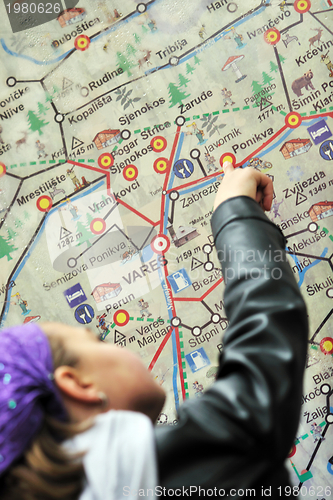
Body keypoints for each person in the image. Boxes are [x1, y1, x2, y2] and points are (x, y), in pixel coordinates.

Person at [0, 162, 308, 499]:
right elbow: (261, 366)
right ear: (78, 385)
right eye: (97, 340)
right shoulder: (166, 473)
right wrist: (235, 211)